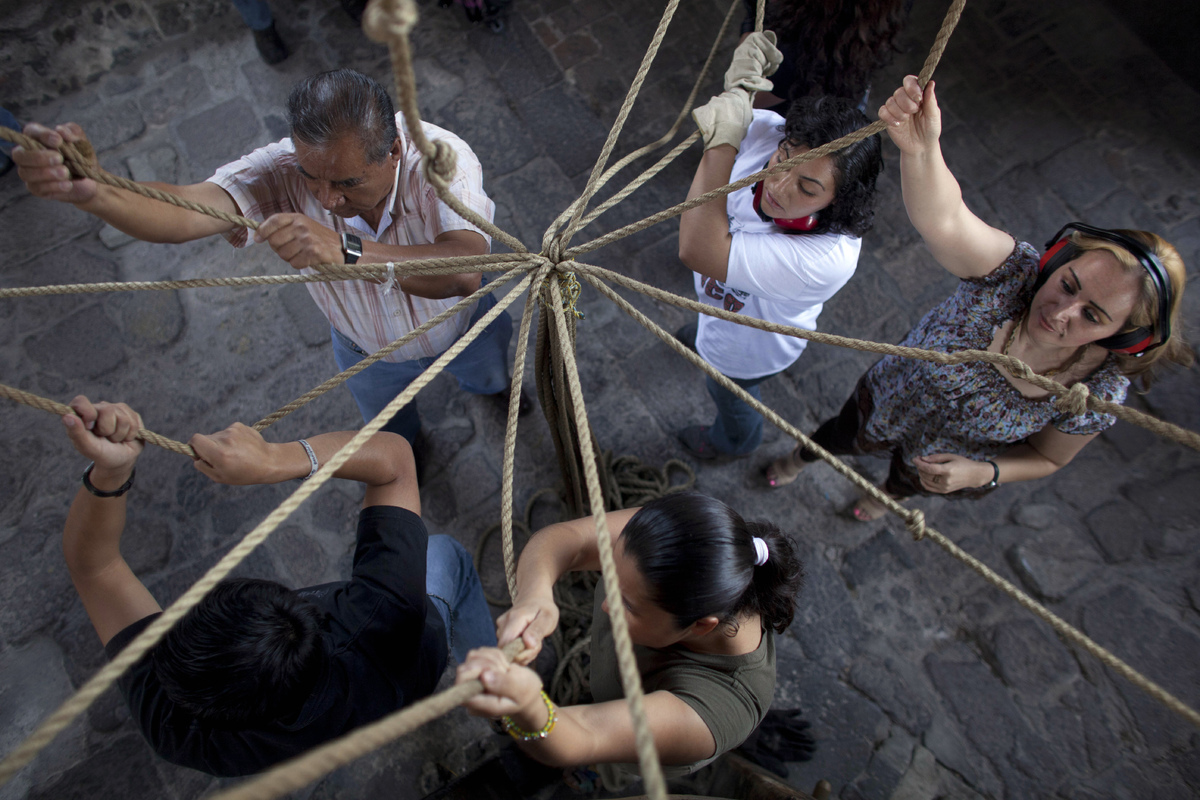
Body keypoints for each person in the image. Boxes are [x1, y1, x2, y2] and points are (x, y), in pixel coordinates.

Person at [13, 68, 529, 446]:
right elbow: (186, 212)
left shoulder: (440, 159)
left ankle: (494, 391)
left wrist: (346, 250)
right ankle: (408, 454)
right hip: (364, 347)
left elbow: (463, 269)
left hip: (465, 324)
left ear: (393, 151)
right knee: (391, 428)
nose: (325, 199)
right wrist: (94, 190)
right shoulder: (281, 167)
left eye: (347, 182)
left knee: (489, 375)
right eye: (312, 177)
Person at [765, 76, 1194, 520]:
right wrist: (921, 150)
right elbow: (946, 219)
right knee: (836, 435)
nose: (1061, 312)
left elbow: (1050, 458)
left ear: (1125, 337)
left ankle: (882, 497)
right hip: (888, 397)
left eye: (1093, 315)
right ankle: (798, 461)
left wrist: (983, 473)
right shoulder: (1012, 276)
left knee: (905, 485)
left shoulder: (1094, 394)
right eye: (1068, 285)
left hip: (945, 461)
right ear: (1056, 259)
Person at [58, 395, 496, 776]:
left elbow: (95, 568)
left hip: (358, 717)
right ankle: (498, 681)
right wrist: (276, 460)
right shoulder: (381, 615)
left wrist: (110, 472)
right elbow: (394, 461)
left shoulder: (175, 728)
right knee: (444, 555)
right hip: (416, 661)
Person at [452, 492, 804, 791]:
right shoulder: (675, 543)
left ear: (699, 625)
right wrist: (535, 596)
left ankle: (595, 778)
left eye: (629, 605)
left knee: (609, 766)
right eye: (610, 572)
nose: (606, 604)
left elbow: (585, 736)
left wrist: (526, 703)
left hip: (632, 748)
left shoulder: (713, 710)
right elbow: (568, 540)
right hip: (623, 681)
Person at [675, 33, 883, 459]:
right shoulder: (768, 134)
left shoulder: (826, 258)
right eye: (782, 159)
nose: (778, 186)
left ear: (837, 202)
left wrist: (721, 144)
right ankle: (697, 337)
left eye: (807, 188)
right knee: (700, 332)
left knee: (727, 393)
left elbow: (696, 248)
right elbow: (735, 120)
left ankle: (734, 442)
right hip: (715, 308)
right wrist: (737, 89)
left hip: (747, 349)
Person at [738, 0, 911, 114]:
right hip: (848, 76)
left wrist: (752, 20)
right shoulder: (883, 10)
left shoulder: (796, 48)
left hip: (794, 110)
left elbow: (746, 96)